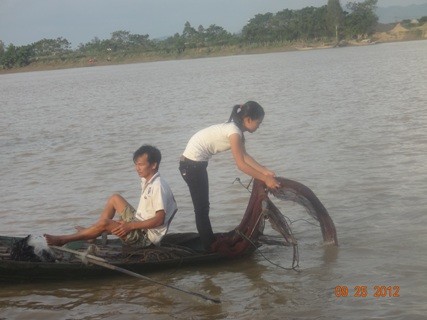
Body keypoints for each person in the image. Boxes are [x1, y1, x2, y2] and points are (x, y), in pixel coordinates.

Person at [179, 101, 280, 251]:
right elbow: (241, 164)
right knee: (201, 209)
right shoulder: (234, 133)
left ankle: (208, 241)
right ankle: (209, 247)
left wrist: (264, 170)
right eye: (259, 123)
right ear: (248, 120)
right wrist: (265, 179)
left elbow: (244, 156)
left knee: (203, 207)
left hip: (194, 165)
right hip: (191, 166)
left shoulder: (236, 129)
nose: (259, 126)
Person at [44, 144, 177, 247]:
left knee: (106, 223)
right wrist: (130, 223)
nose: (137, 168)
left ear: (154, 165)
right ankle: (92, 234)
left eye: (141, 164)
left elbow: (159, 219)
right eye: (136, 164)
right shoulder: (148, 180)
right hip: (139, 223)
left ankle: (62, 239)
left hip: (146, 238)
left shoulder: (158, 186)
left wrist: (129, 226)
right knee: (115, 198)